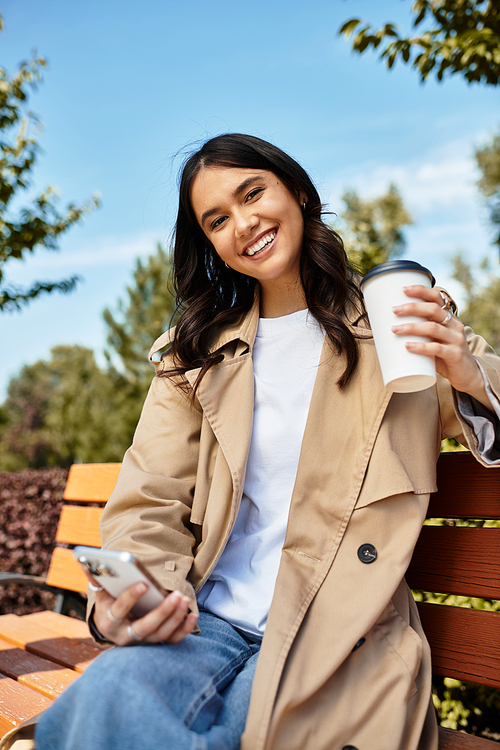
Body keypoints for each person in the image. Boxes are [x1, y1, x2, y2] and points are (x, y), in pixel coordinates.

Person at [27, 134, 500, 750]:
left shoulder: (396, 327)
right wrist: (146, 597)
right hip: (208, 624)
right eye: (217, 220)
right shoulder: (195, 357)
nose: (243, 224)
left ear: (297, 192)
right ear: (212, 245)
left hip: (338, 633)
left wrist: (467, 371)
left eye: (254, 193)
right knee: (110, 696)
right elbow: (149, 501)